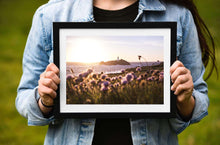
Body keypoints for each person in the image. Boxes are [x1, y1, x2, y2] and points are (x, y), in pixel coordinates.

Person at [16, 0, 217, 145]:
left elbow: (199, 99)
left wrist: (184, 100)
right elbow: (25, 96)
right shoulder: (50, 14)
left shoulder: (178, 14)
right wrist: (45, 101)